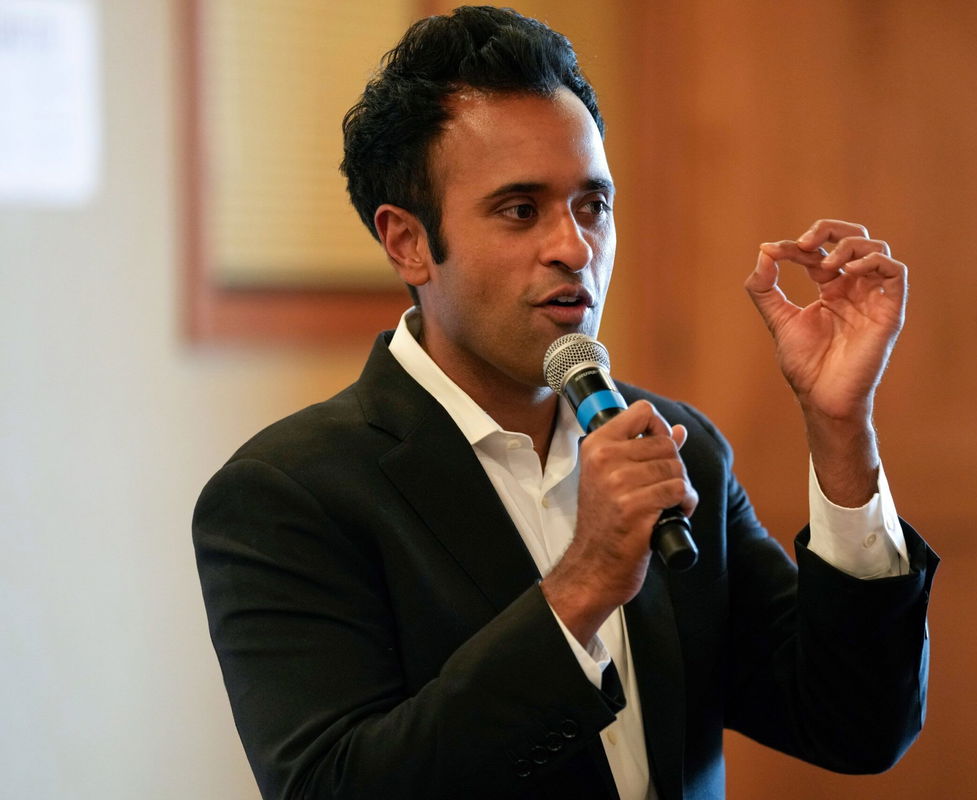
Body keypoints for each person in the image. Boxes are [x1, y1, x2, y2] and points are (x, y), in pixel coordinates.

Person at [193, 6, 938, 799]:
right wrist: (581, 585)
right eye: (521, 210)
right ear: (407, 242)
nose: (575, 247)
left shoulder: (678, 448)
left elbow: (856, 727)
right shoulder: (286, 494)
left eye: (593, 204)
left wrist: (839, 428)